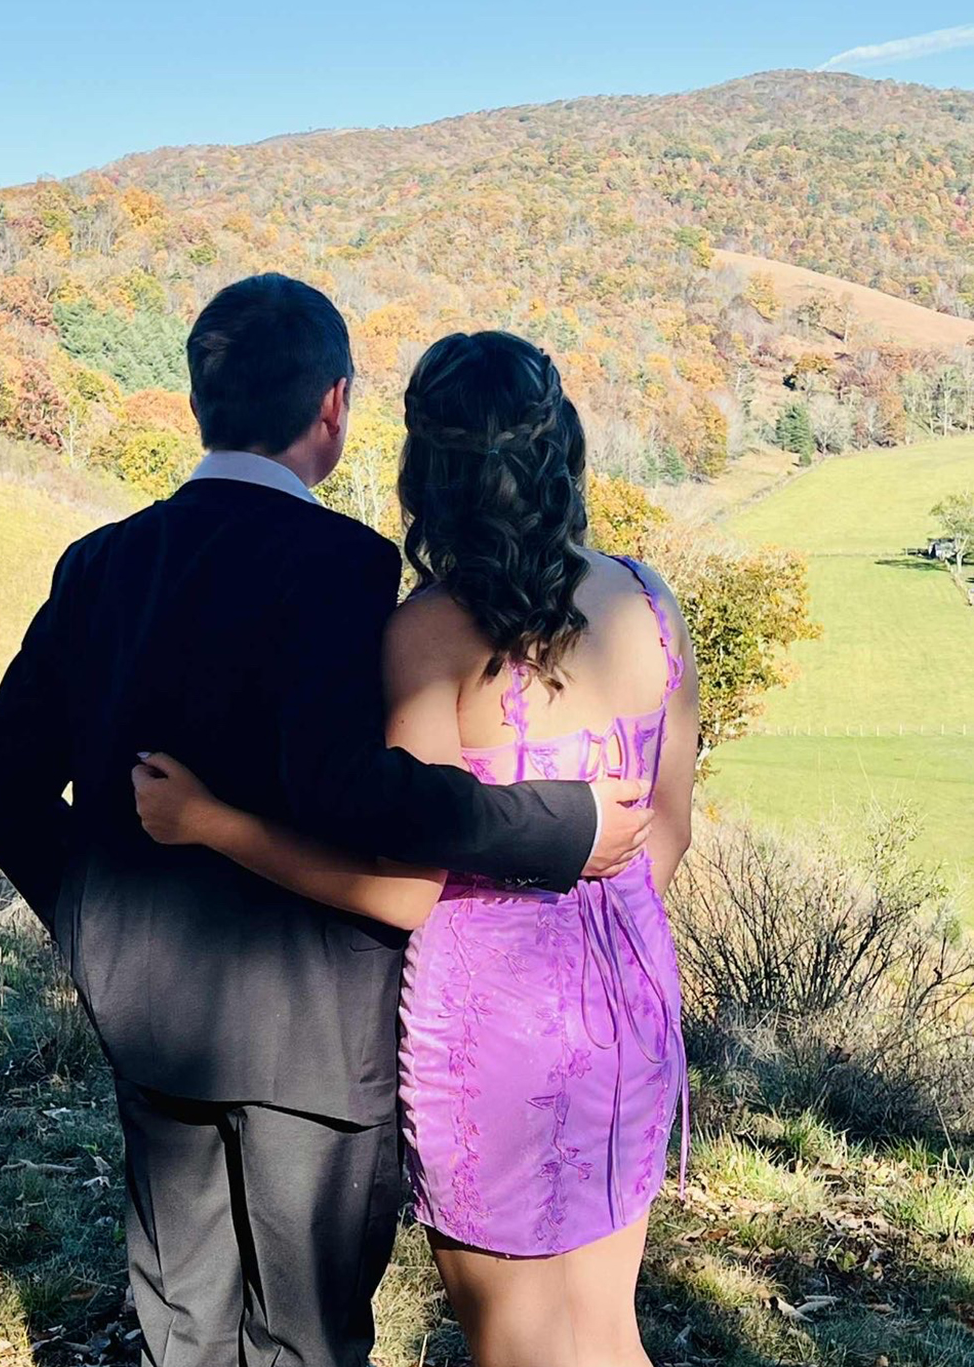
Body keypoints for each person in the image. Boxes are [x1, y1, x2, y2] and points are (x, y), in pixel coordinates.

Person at [0, 278, 653, 1367]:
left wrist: (94, 923)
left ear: (201, 401)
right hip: (317, 1040)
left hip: (151, 1017)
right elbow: (350, 791)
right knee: (307, 1337)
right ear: (334, 406)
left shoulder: (100, 565)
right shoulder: (341, 565)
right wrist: (557, 826)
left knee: (183, 1325)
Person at [134, 329, 698, 1367]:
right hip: (629, 998)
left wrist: (216, 824)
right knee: (607, 1330)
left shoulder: (427, 633)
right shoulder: (649, 600)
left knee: (516, 1344)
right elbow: (667, 832)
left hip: (492, 1026)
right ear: (563, 448)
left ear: (426, 470)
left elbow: (403, 892)